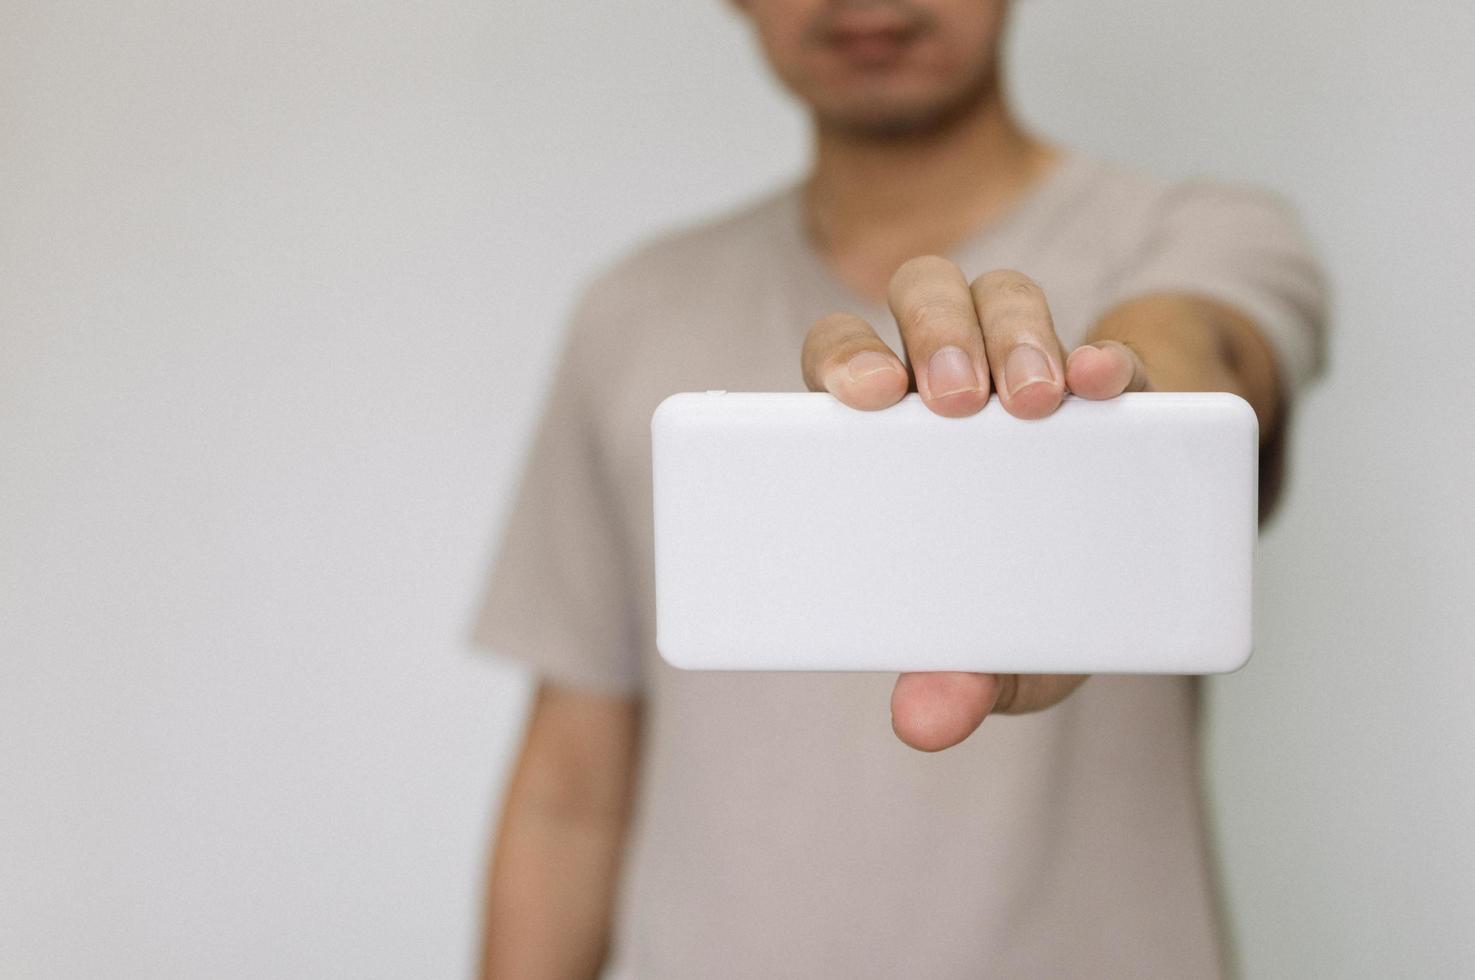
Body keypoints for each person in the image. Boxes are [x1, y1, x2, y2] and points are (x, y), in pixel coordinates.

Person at [475, 1, 1326, 977]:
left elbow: (1200, 353)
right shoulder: (630, 308)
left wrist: (1119, 422)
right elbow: (572, 791)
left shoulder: (1200, 234)